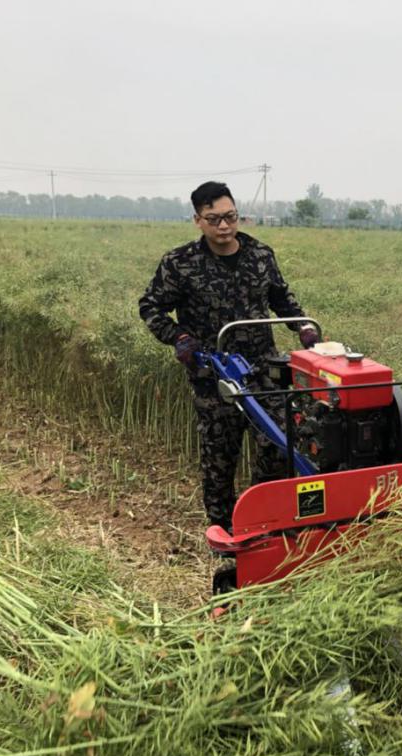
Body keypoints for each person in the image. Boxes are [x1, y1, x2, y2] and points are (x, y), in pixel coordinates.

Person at [139, 181, 318, 535]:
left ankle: (266, 520)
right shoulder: (180, 264)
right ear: (198, 221)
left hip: (264, 370)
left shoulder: (260, 256)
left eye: (230, 217)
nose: (224, 226)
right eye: (214, 219)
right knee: (220, 458)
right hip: (214, 376)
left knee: (278, 446)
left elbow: (281, 299)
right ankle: (223, 531)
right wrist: (180, 339)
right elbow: (151, 307)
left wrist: (305, 328)